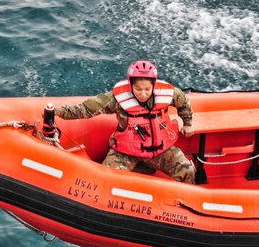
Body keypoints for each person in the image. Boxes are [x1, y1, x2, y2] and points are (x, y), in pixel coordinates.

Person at [54, 60, 196, 184]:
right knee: (105, 179)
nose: (143, 94)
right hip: (125, 153)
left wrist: (188, 123)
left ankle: (185, 203)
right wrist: (57, 112)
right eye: (138, 89)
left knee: (187, 170)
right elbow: (84, 109)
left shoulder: (169, 94)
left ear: (154, 85)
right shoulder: (117, 99)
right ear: (130, 85)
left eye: (147, 89)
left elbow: (184, 103)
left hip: (160, 151)